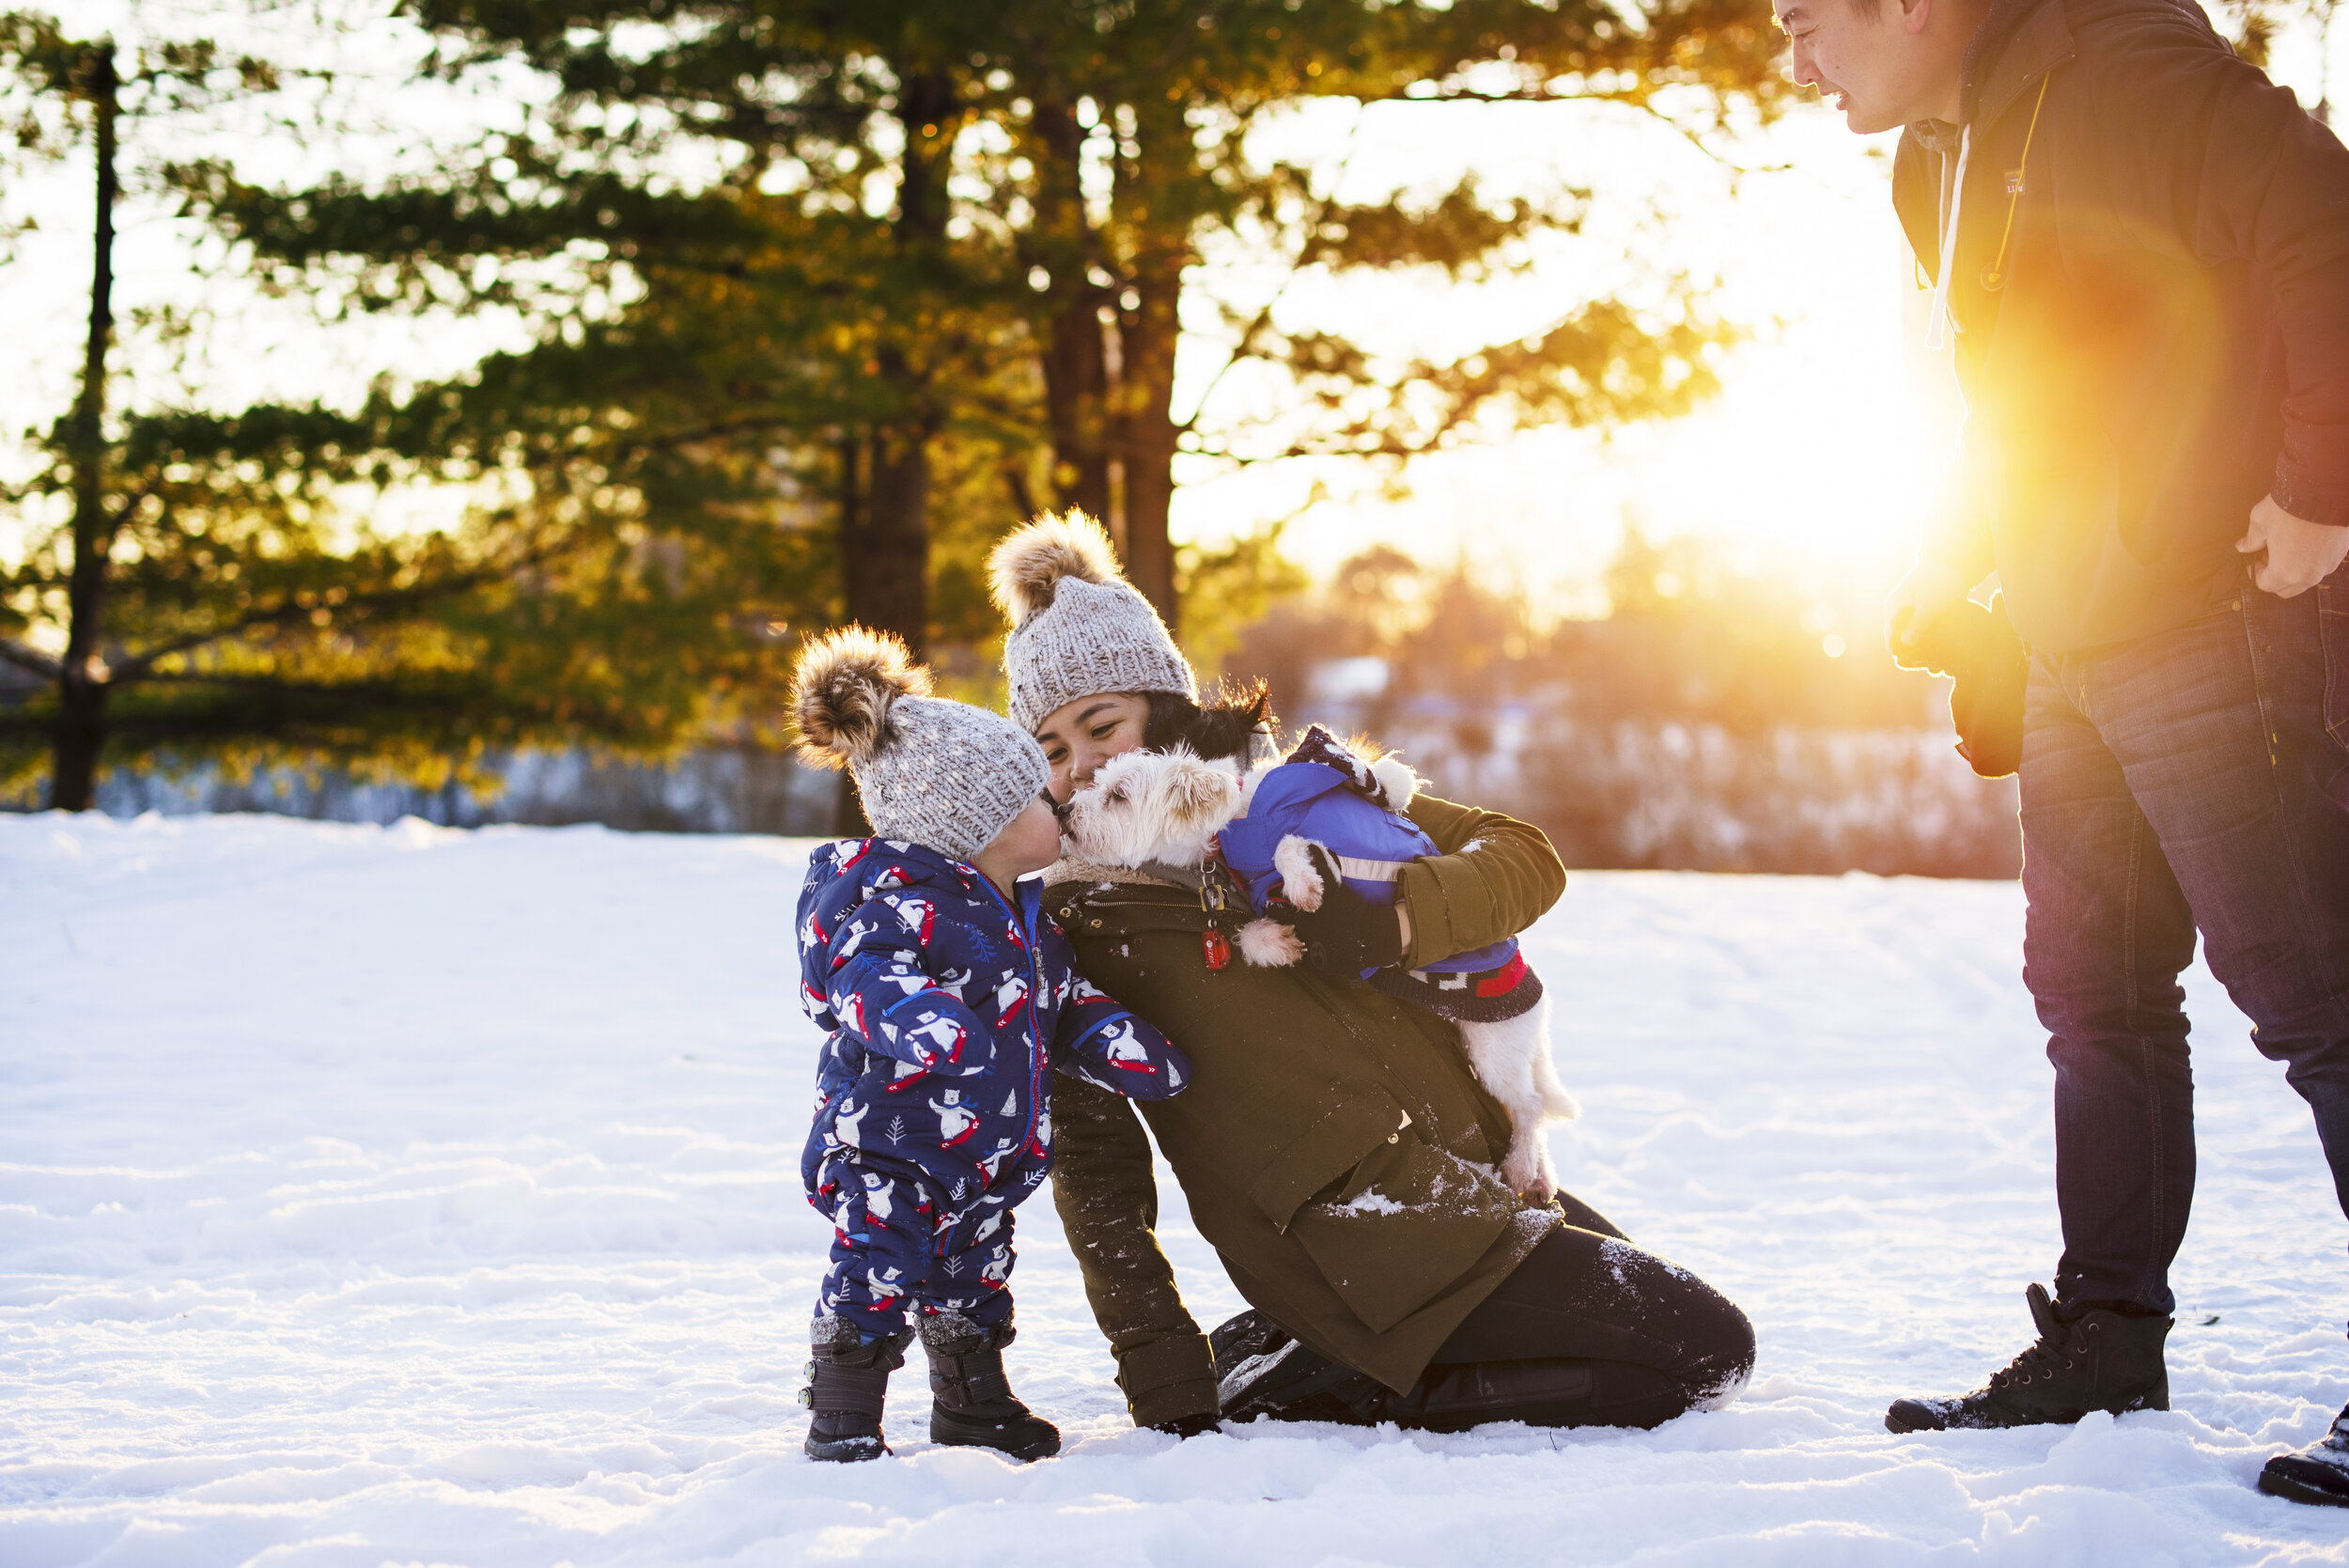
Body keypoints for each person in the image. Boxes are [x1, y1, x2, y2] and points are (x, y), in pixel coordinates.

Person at [1778, 0, 2349, 1502]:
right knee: (2091, 995)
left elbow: (2324, 222)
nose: (1797, 61)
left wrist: (2325, 488)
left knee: (2316, 991)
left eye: (1806, 20)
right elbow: (2017, 395)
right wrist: (1961, 573)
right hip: (2072, 630)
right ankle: (2107, 1334)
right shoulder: (1936, 158)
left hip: (2214, 604)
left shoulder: (2127, 68)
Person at [987, 511, 1757, 1436]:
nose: (1080, 770)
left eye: (1100, 726)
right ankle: (1356, 1379)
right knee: (1706, 1352)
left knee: (1646, 1318)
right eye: (1052, 753)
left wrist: (1393, 918)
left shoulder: (1294, 796)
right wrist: (1162, 1381)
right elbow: (1097, 1174)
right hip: (1348, 1236)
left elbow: (1522, 856)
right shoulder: (1081, 919)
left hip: (1457, 1174)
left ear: (1164, 702)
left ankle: (1319, 1353)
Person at [786, 627, 1190, 1463]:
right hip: (892, 1146)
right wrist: (918, 1013)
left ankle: (971, 1400)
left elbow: (1062, 1005)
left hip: (984, 1154)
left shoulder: (1026, 914)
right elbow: (859, 976)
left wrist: (1123, 1043)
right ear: (986, 824)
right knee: (876, 1273)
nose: (1061, 804)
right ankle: (844, 1410)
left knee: (974, 1277)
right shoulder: (902, 902)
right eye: (1042, 799)